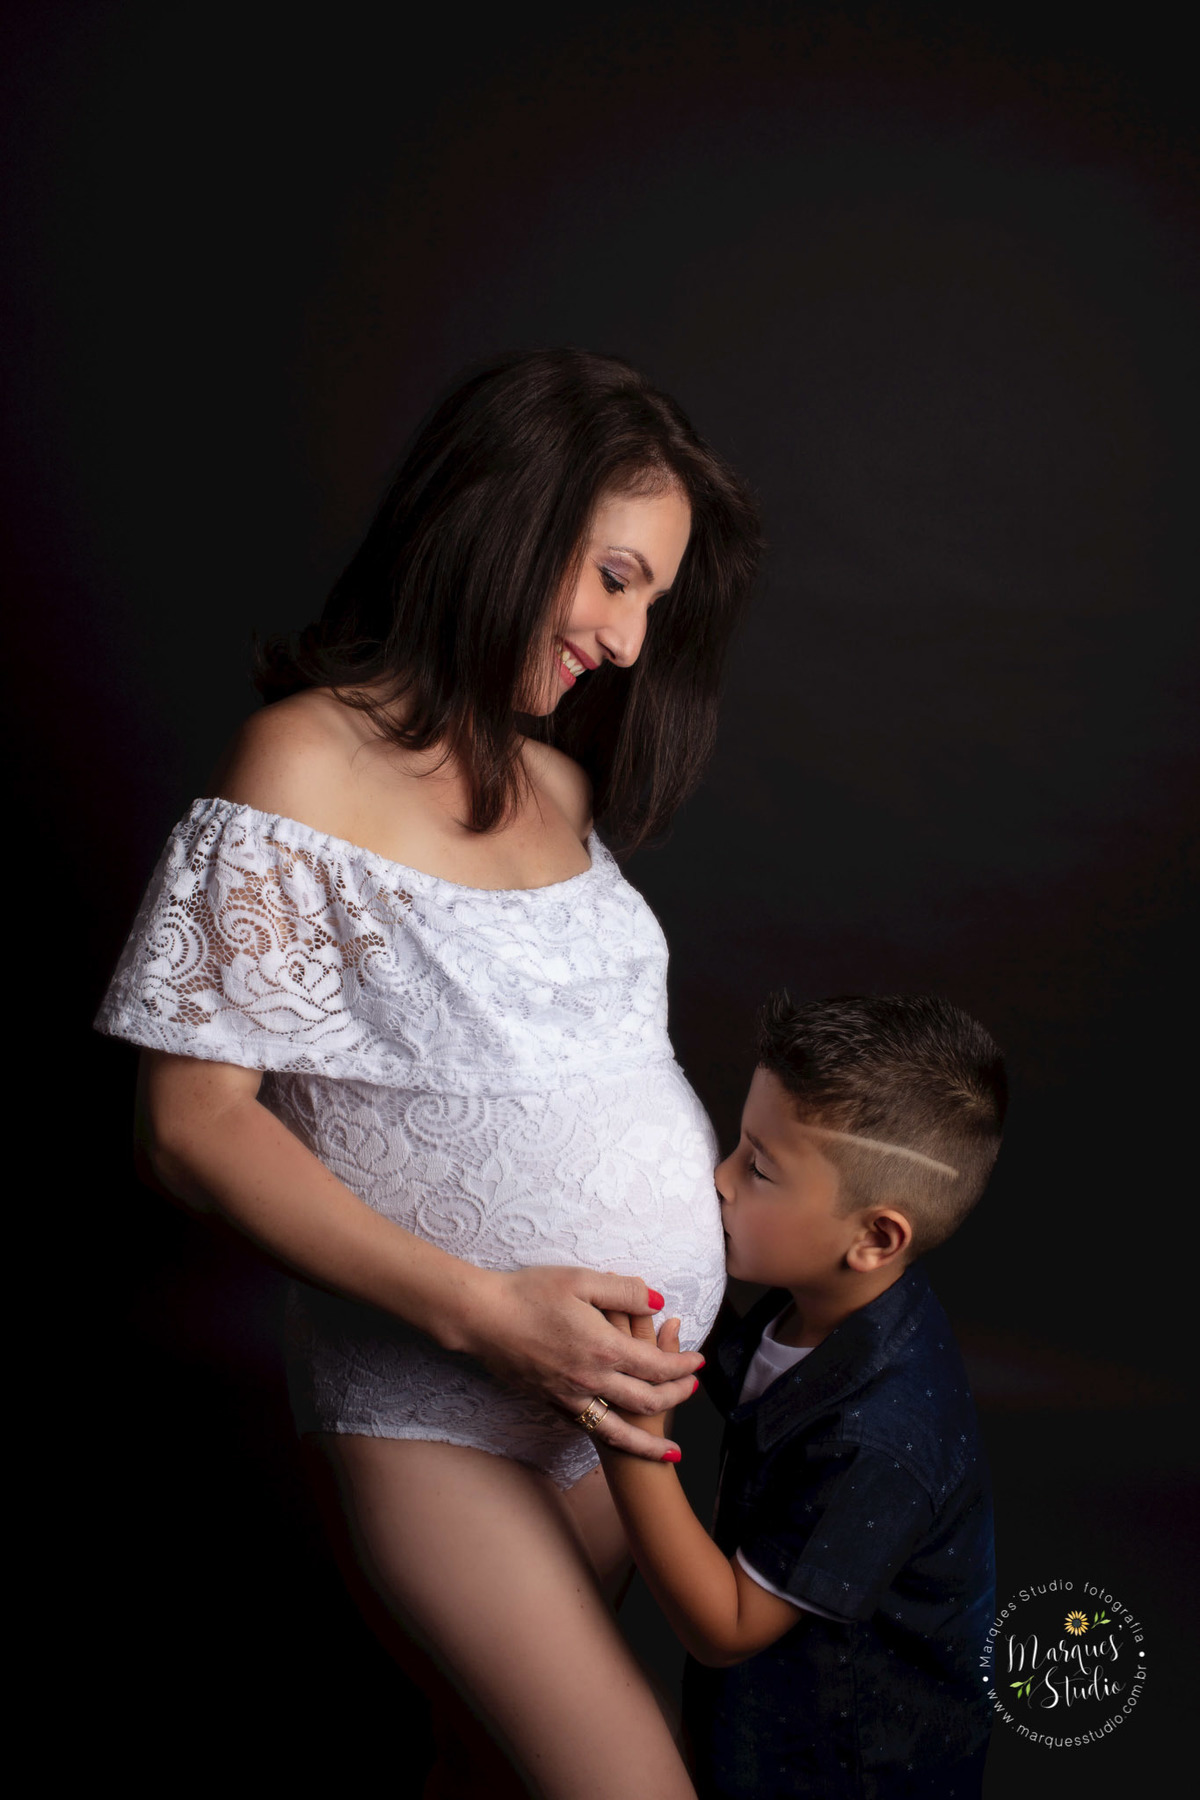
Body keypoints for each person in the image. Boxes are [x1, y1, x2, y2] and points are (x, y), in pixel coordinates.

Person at [95, 348, 761, 1800]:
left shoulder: (563, 785)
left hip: (607, 1420)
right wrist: (480, 1311)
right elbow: (189, 1129)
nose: (633, 640)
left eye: (655, 598)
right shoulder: (303, 763)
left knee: (485, 1765)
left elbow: (579, 1071)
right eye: (615, 577)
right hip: (439, 1398)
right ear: (506, 516)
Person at [598, 991, 1006, 1800]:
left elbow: (728, 1628)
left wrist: (631, 1442)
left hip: (848, 1766)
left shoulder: (879, 1437)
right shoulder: (815, 1305)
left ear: (874, 1237)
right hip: (763, 1725)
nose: (717, 1179)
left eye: (758, 1167)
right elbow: (738, 1369)